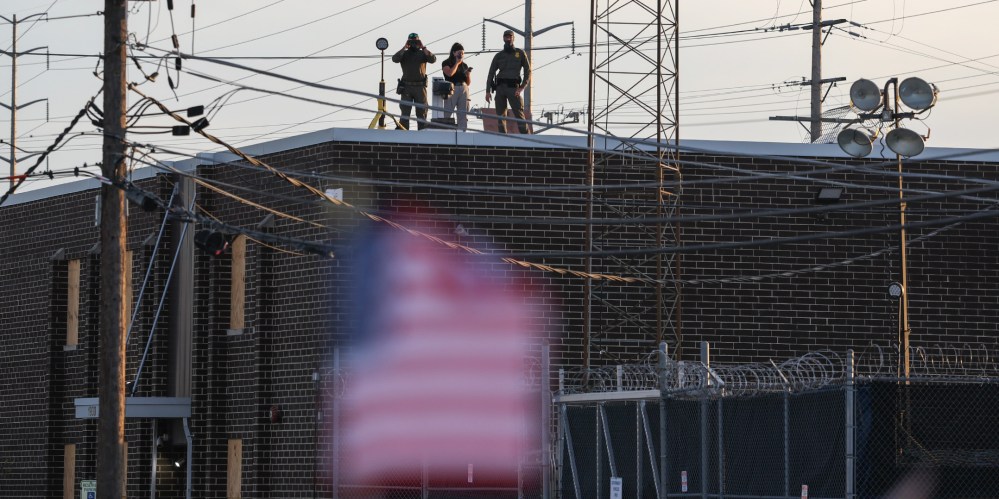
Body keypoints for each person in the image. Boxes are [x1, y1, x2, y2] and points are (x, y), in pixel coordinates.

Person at [485, 29, 531, 134]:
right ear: (503, 38)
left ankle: (527, 138)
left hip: (513, 88)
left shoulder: (520, 53)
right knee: (501, 116)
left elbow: (528, 71)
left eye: (510, 37)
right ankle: (503, 138)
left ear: (513, 38)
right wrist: (488, 91)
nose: (508, 39)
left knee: (519, 114)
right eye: (506, 37)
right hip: (500, 88)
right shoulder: (499, 56)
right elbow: (491, 73)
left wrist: (522, 87)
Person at [391, 33, 437, 130]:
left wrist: (423, 47)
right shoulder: (405, 54)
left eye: (415, 41)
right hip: (406, 87)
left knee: (422, 112)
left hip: (420, 87)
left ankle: (422, 135)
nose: (413, 44)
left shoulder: (422, 53)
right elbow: (394, 59)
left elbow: (433, 59)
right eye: (411, 41)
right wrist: (405, 47)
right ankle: (404, 134)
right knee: (405, 112)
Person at [441, 42, 472, 131]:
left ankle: (462, 132)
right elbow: (450, 73)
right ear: (454, 53)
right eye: (459, 53)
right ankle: (445, 132)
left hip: (464, 88)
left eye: (462, 53)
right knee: (447, 112)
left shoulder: (464, 65)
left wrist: (468, 74)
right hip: (452, 88)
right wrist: (457, 63)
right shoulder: (446, 63)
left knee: (463, 114)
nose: (461, 55)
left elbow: (468, 82)